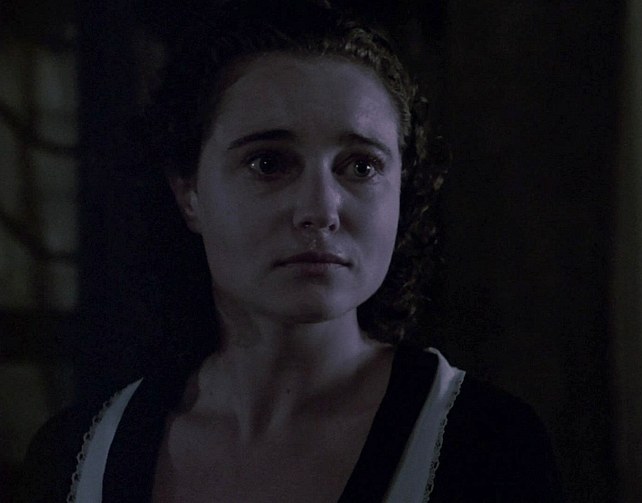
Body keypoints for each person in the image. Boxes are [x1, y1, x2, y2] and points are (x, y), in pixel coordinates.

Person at [19, 1, 560, 501]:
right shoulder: (73, 458)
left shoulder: (488, 446)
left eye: (361, 166)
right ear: (189, 193)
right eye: (269, 163)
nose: (320, 209)